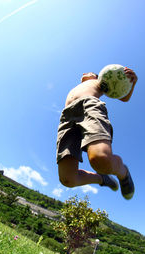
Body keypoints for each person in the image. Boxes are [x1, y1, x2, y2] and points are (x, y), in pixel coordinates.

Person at [56, 67, 138, 200]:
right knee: (68, 179)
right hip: (66, 117)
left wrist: (132, 82)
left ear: (95, 76)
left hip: (89, 106)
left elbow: (124, 98)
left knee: (101, 159)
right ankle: (102, 179)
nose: (83, 73)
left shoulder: (101, 81)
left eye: (87, 72)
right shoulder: (80, 85)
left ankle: (123, 172)